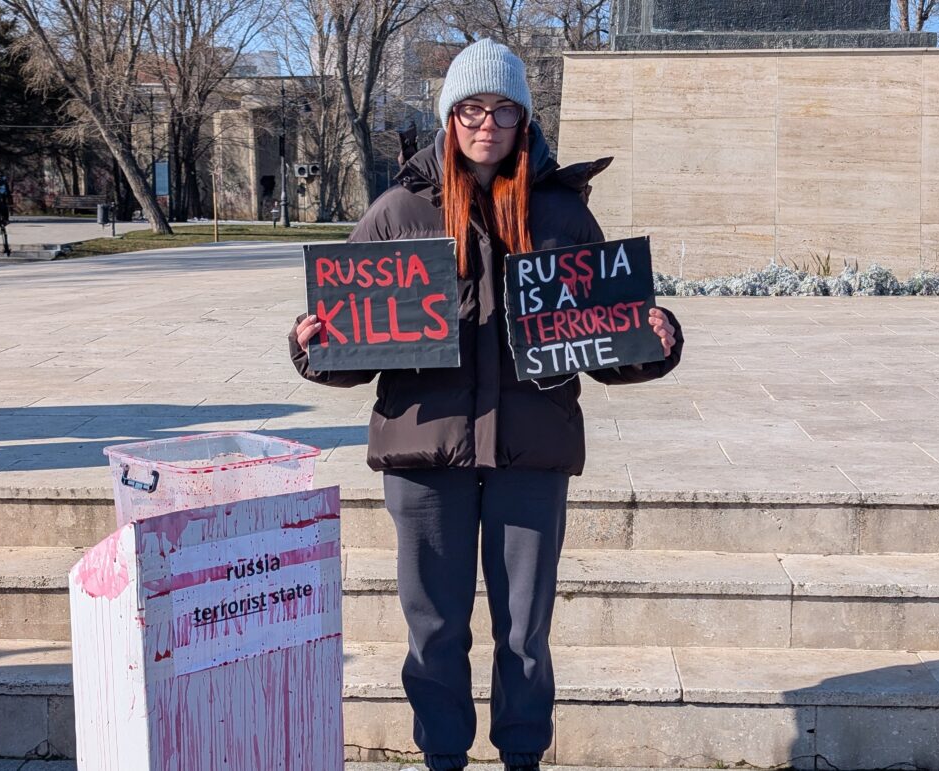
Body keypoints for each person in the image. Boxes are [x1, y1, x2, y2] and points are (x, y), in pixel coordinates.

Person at [289, 38, 683, 771]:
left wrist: (652, 340)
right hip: (422, 453)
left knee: (524, 629)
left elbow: (602, 340)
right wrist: (311, 342)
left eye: (502, 108)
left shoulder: (561, 215)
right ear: (449, 119)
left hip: (530, 448)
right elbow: (345, 340)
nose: (485, 123)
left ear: (523, 118)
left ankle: (523, 756)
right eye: (470, 108)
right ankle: (443, 756)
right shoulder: (397, 211)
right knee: (434, 625)